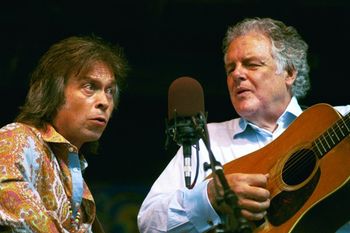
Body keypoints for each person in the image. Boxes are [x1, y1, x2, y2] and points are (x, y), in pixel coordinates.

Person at [137, 17, 350, 232]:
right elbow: (148, 223)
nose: (237, 74)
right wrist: (211, 197)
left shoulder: (338, 119)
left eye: (252, 64)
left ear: (289, 73)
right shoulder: (207, 139)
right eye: (231, 68)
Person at [0, 35, 128, 232]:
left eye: (110, 90)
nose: (104, 101)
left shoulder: (72, 169)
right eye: (90, 87)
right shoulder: (17, 139)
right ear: (54, 92)